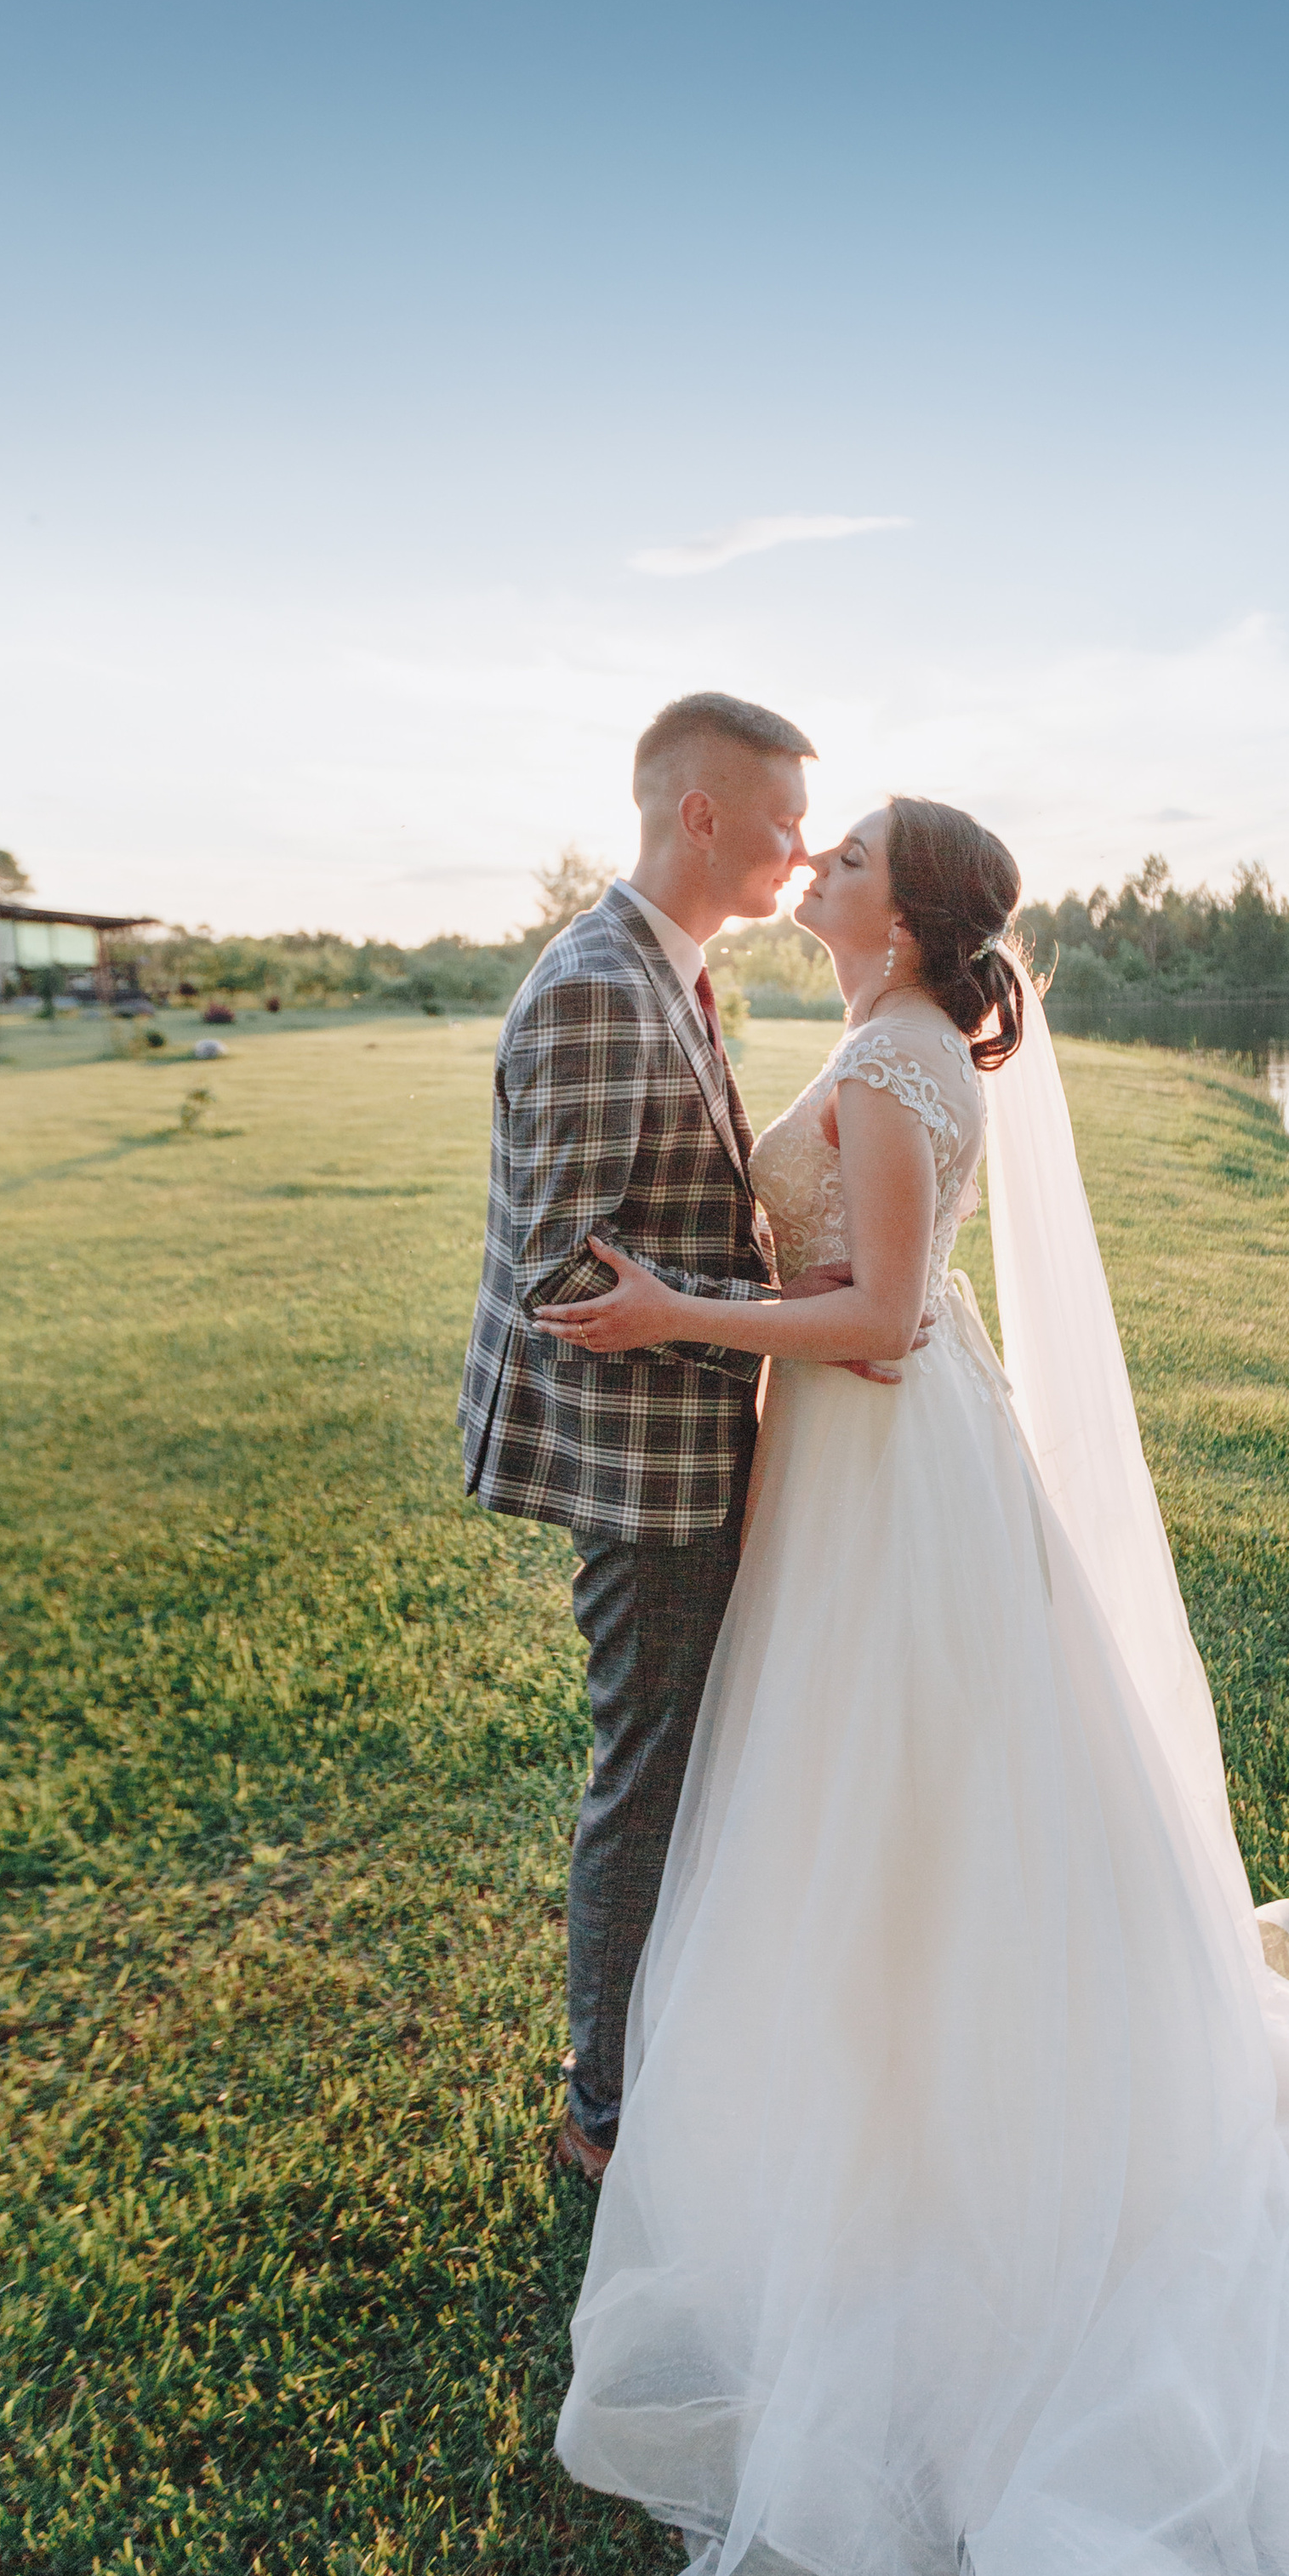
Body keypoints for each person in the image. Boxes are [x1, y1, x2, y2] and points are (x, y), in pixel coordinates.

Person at [539, 794, 1289, 2576]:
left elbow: (879, 1318)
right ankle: (879, 2078)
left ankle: (940, 2141)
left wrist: (669, 1313)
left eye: (847, 860)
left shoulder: (897, 1061)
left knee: (905, 1800)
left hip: (890, 1467)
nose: (817, 871)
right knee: (885, 1802)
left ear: (909, 919)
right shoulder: (891, 1035)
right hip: (872, 1467)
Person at [458, 690, 818, 2178]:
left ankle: (671, 2048)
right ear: (701, 815)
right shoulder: (601, 983)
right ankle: (603, 2114)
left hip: (689, 1438)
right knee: (651, 1770)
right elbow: (563, 1272)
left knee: (683, 1755)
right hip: (644, 1469)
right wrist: (774, 1319)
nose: (803, 849)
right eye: (785, 820)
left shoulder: (672, 966)